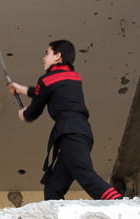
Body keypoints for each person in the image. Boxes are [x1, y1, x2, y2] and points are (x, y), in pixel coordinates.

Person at [8, 39, 123, 201]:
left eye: (47, 53)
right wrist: (22, 90)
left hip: (70, 131)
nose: (43, 58)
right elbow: (45, 92)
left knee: (84, 173)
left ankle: (117, 202)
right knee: (54, 188)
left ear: (58, 56)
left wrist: (24, 113)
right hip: (79, 131)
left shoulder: (48, 80)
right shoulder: (72, 77)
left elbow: (34, 111)